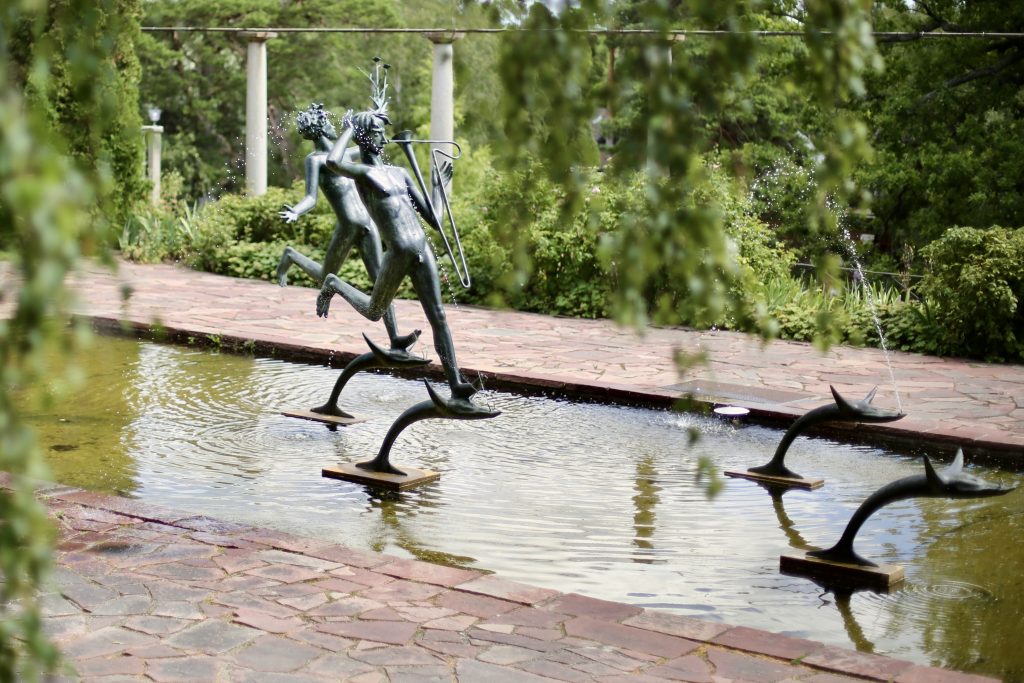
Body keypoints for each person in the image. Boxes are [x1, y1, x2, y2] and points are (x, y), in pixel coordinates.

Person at [316, 76, 480, 409]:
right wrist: (348, 125)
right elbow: (332, 162)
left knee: (439, 317)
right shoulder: (362, 173)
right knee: (375, 313)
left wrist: (439, 187)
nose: (383, 138)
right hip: (398, 253)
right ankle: (333, 283)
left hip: (419, 249)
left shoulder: (400, 173)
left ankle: (456, 387)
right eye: (376, 133)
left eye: (382, 133)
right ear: (364, 138)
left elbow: (433, 220)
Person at [277, 103, 418, 354]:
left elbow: (368, 145)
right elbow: (311, 197)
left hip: (367, 225)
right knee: (324, 276)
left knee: (380, 284)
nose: (335, 125)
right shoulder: (316, 161)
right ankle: (291, 255)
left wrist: (374, 116)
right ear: (319, 127)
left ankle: (395, 338)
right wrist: (296, 211)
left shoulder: (349, 155)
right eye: (329, 122)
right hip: (347, 227)